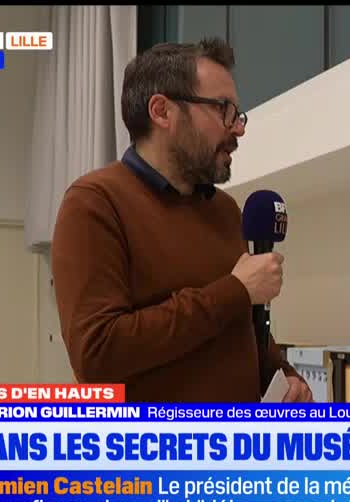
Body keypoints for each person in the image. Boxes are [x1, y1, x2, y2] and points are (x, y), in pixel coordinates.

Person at [51, 38, 312, 403]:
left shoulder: (224, 210)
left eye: (237, 114)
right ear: (162, 112)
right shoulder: (94, 203)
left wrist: (283, 374)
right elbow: (97, 354)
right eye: (223, 109)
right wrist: (234, 291)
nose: (238, 128)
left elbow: (242, 325)